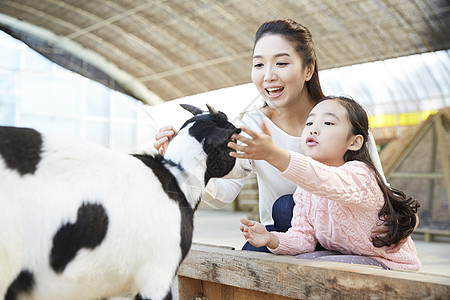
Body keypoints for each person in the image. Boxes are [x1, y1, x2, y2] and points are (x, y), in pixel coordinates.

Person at [154, 19, 385, 252]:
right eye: (259, 65)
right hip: (286, 236)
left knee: (285, 206)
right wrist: (186, 164)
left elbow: (380, 195)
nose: (268, 76)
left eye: (281, 63)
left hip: (343, 237)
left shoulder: (343, 120)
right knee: (277, 220)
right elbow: (225, 194)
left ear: (308, 69)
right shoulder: (250, 125)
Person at [232, 96, 420, 271]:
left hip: (387, 265)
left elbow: (325, 181)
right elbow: (303, 238)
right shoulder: (305, 190)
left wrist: (274, 155)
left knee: (310, 267)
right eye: (309, 122)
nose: (313, 129)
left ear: (354, 142)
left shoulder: (360, 175)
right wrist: (270, 238)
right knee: (303, 262)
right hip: (348, 256)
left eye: (328, 123)